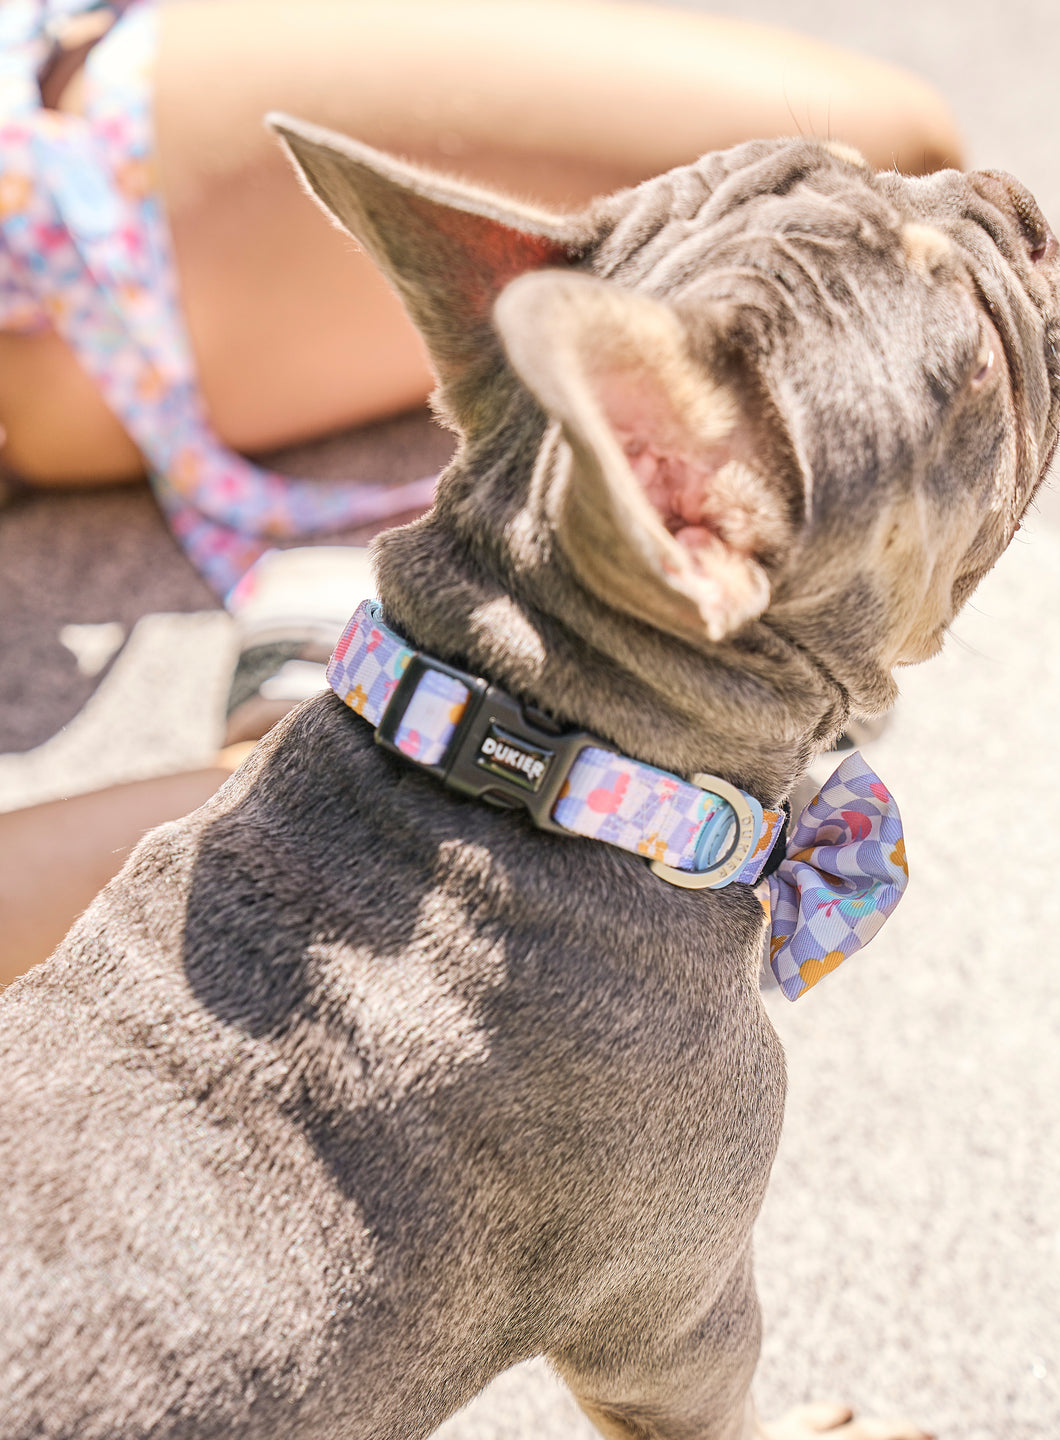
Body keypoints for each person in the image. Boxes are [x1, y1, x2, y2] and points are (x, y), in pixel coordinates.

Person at [0, 0, 964, 984]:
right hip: (51, 190)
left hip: (56, 98)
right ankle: (362, 784)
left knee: (894, 183)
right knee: (894, 217)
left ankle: (386, 765)